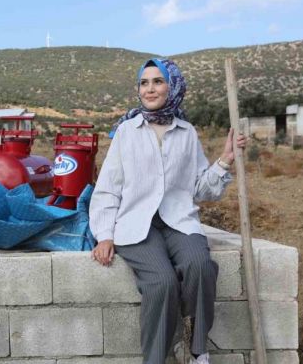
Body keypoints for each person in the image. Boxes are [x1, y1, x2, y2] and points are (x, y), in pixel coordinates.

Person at [88, 58, 246, 364]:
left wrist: (225, 160)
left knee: (200, 265)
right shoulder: (126, 132)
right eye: (144, 83)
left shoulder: (186, 132)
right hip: (137, 225)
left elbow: (200, 188)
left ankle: (197, 348)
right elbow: (108, 187)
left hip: (178, 221)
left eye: (158, 81)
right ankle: (156, 359)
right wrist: (104, 235)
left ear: (172, 86)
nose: (150, 89)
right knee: (162, 282)